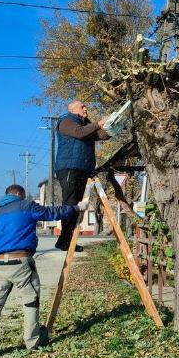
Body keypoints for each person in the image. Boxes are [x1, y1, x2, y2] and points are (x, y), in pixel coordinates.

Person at [0, 184, 88, 358]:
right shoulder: (26, 206)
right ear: (19, 194)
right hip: (21, 262)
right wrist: (76, 208)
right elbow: (52, 213)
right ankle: (32, 341)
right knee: (30, 301)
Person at [54, 100, 109, 252]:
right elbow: (80, 132)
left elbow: (100, 135)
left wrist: (112, 127)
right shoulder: (66, 121)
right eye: (82, 106)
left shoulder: (86, 123)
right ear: (73, 109)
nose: (86, 108)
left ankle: (66, 240)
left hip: (83, 168)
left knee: (78, 207)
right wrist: (98, 123)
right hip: (69, 167)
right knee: (71, 204)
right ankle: (65, 240)